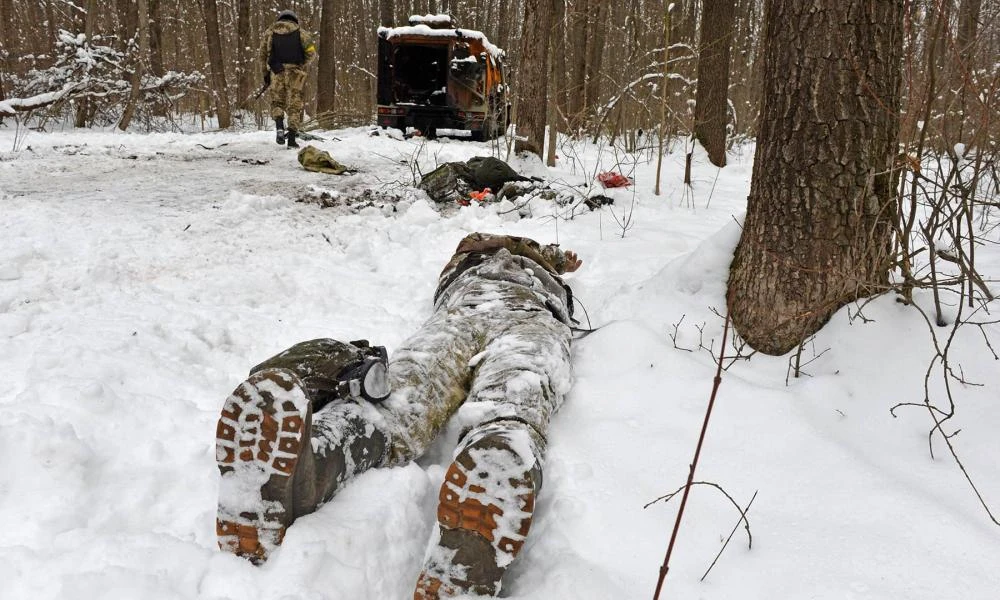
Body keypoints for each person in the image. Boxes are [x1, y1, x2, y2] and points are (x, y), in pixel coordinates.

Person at [215, 232, 583, 599]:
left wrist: (557, 259)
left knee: (413, 395)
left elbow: (537, 253)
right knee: (491, 394)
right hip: (496, 311)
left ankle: (328, 458)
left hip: (486, 312)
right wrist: (549, 261)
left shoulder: (523, 261)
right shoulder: (494, 252)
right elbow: (482, 243)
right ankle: (309, 467)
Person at [259, 9, 316, 149]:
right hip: (295, 73)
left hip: (276, 72)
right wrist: (301, 64)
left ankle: (279, 127)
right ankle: (291, 139)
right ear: (294, 19)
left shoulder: (269, 32)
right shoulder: (302, 33)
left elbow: (262, 55)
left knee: (277, 102)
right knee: (294, 106)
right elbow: (311, 53)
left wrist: (266, 74)